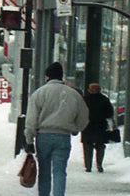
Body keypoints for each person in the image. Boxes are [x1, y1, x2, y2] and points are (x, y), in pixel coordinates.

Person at [24, 62, 90, 196]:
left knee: (44, 171)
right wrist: (76, 128)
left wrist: (29, 139)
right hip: (63, 137)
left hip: (43, 137)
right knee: (60, 171)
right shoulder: (73, 94)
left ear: (47, 77)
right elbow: (84, 116)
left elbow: (31, 119)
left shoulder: (40, 93)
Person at [80, 82, 115, 172]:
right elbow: (110, 113)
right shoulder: (104, 99)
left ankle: (88, 166)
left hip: (87, 126)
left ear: (89, 90)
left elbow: (80, 111)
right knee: (100, 145)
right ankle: (99, 164)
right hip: (100, 126)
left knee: (87, 146)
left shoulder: (85, 100)